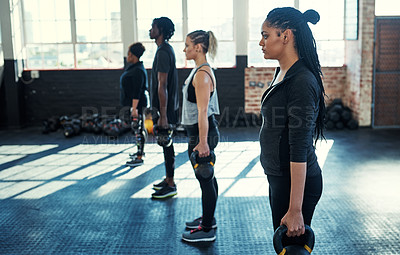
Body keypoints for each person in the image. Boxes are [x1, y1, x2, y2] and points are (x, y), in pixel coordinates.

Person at [258, 7, 325, 246]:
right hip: (280, 178)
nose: (260, 42)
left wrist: (295, 209)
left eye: (266, 35)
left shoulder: (302, 81)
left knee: (292, 249)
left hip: (295, 184)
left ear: (285, 36)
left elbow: (298, 146)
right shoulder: (283, 72)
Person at [180, 30, 220, 242]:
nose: (184, 49)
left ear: (198, 47)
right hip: (198, 133)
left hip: (201, 135)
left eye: (187, 45)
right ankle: (208, 218)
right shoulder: (199, 70)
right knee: (208, 178)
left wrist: (203, 142)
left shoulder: (202, 74)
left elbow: (204, 111)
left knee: (205, 178)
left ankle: (206, 230)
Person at [149, 17, 180, 199]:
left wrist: (163, 115)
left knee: (166, 145)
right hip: (165, 109)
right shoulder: (164, 50)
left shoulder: (163, 52)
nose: (150, 30)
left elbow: (162, 85)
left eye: (153, 27)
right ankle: (169, 179)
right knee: (166, 146)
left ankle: (171, 184)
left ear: (160, 30)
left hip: (165, 111)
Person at [120, 42, 149, 167]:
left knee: (138, 129)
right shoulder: (134, 67)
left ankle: (139, 156)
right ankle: (140, 152)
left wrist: (134, 108)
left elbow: (137, 91)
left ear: (133, 55)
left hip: (138, 104)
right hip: (135, 104)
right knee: (138, 128)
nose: (127, 57)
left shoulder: (138, 70)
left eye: (129, 54)